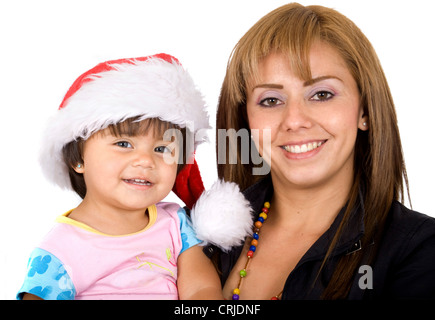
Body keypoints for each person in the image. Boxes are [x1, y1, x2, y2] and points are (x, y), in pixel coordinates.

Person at [210, 3, 435, 299]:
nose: (294, 121)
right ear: (246, 121)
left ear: (364, 111)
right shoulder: (188, 235)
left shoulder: (420, 251)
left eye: (322, 94)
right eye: (271, 100)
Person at [16, 53, 249, 300]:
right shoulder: (59, 250)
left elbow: (202, 289)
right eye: (124, 143)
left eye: (162, 149)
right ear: (78, 159)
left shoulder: (176, 224)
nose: (146, 161)